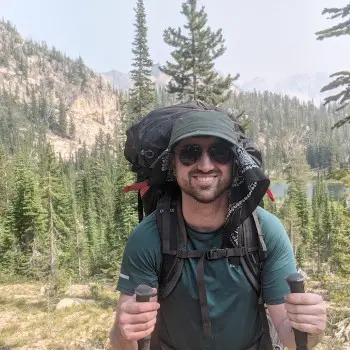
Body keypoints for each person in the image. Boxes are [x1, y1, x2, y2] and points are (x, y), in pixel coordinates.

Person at [109, 110, 327, 350]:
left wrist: (311, 328)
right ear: (172, 163)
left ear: (235, 163)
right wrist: (124, 332)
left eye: (219, 152)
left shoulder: (265, 231)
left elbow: (292, 338)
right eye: (190, 153)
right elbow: (126, 343)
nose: (204, 165)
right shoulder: (148, 238)